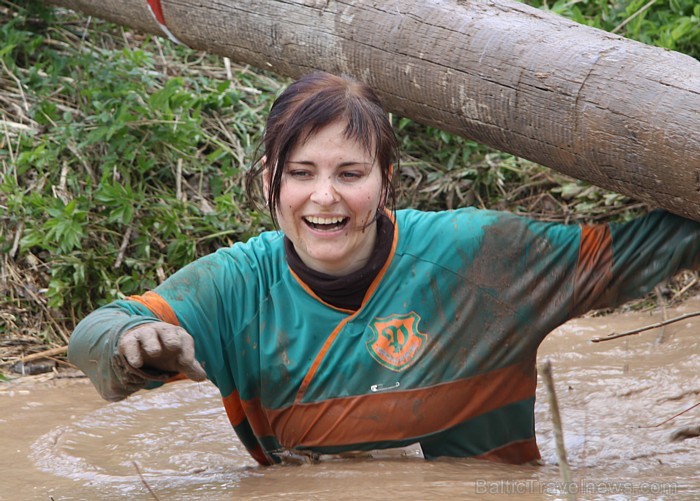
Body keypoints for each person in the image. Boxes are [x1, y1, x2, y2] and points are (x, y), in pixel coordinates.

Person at [68, 71, 700, 466]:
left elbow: (645, 248)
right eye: (301, 174)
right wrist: (133, 345)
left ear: (387, 181)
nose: (324, 198)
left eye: (350, 174)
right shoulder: (237, 287)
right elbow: (95, 333)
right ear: (269, 182)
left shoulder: (478, 255)